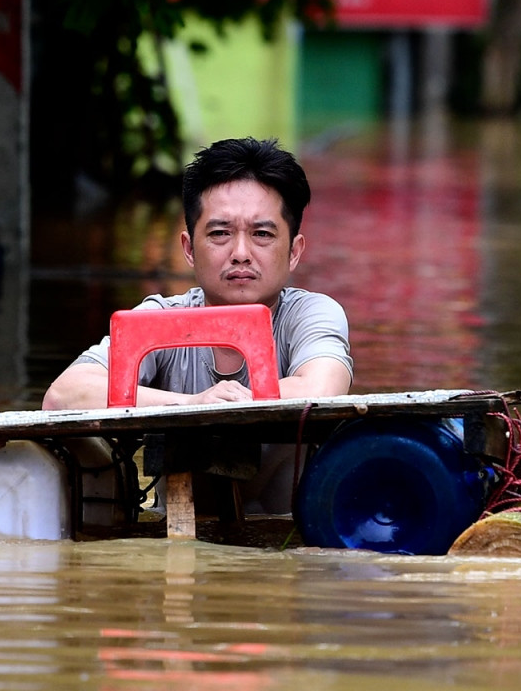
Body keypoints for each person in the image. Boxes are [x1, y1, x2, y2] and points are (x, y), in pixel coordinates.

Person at [42, 137, 353, 512]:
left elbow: (322, 389)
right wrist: (191, 405)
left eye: (262, 234)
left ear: (295, 251)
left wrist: (227, 404)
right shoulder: (159, 318)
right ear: (189, 248)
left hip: (291, 540)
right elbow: (64, 396)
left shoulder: (311, 314)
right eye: (220, 233)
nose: (240, 254)